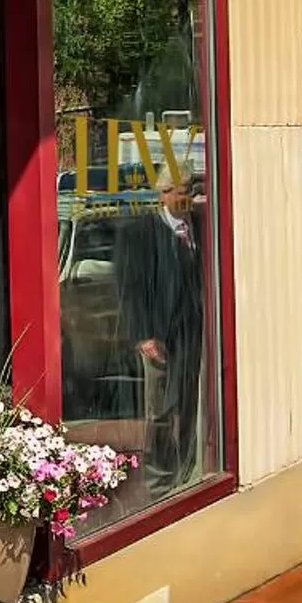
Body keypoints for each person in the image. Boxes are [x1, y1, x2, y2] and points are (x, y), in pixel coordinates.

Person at [113, 172, 205, 494]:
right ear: (164, 194)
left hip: (195, 336)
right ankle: (158, 481)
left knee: (191, 405)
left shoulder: (203, 228)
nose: (189, 199)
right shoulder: (141, 234)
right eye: (183, 192)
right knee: (161, 411)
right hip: (160, 339)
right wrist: (143, 336)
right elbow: (129, 290)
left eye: (191, 192)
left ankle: (186, 473)